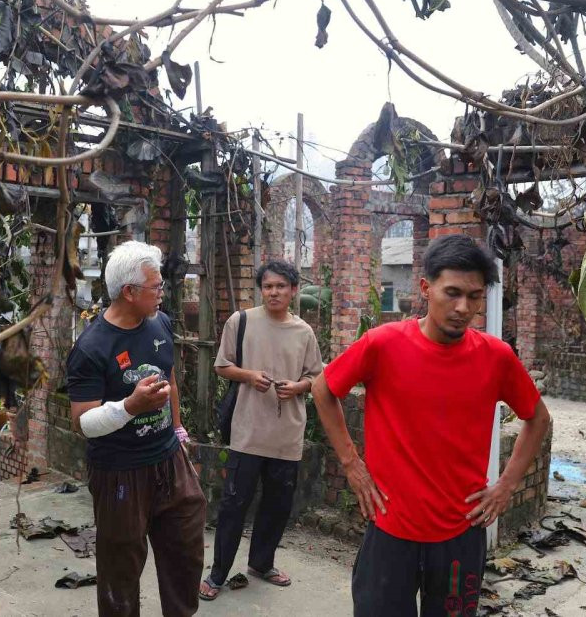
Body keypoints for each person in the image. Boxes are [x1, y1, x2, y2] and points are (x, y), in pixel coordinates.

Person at [312, 234, 551, 617]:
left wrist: (506, 486)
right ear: (426, 288)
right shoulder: (382, 344)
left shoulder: (496, 357)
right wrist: (351, 464)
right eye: (452, 293)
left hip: (461, 535)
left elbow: (537, 419)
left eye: (474, 297)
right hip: (390, 529)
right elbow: (323, 389)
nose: (463, 307)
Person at [66, 240, 206, 617]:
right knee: (121, 568)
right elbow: (83, 422)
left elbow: (170, 378)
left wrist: (177, 430)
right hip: (119, 472)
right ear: (129, 292)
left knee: (186, 545)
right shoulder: (91, 347)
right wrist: (131, 406)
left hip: (167, 458)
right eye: (155, 287)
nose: (162, 293)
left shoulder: (158, 322)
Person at [199, 260, 323, 601]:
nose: (274, 292)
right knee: (233, 505)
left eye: (281, 286)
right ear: (261, 289)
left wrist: (298, 387)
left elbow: (316, 376)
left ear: (294, 290)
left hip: (287, 434)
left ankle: (262, 563)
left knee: (277, 505)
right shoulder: (241, 321)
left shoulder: (304, 332)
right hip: (248, 431)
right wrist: (250, 376)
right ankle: (217, 574)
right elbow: (221, 364)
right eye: (268, 286)